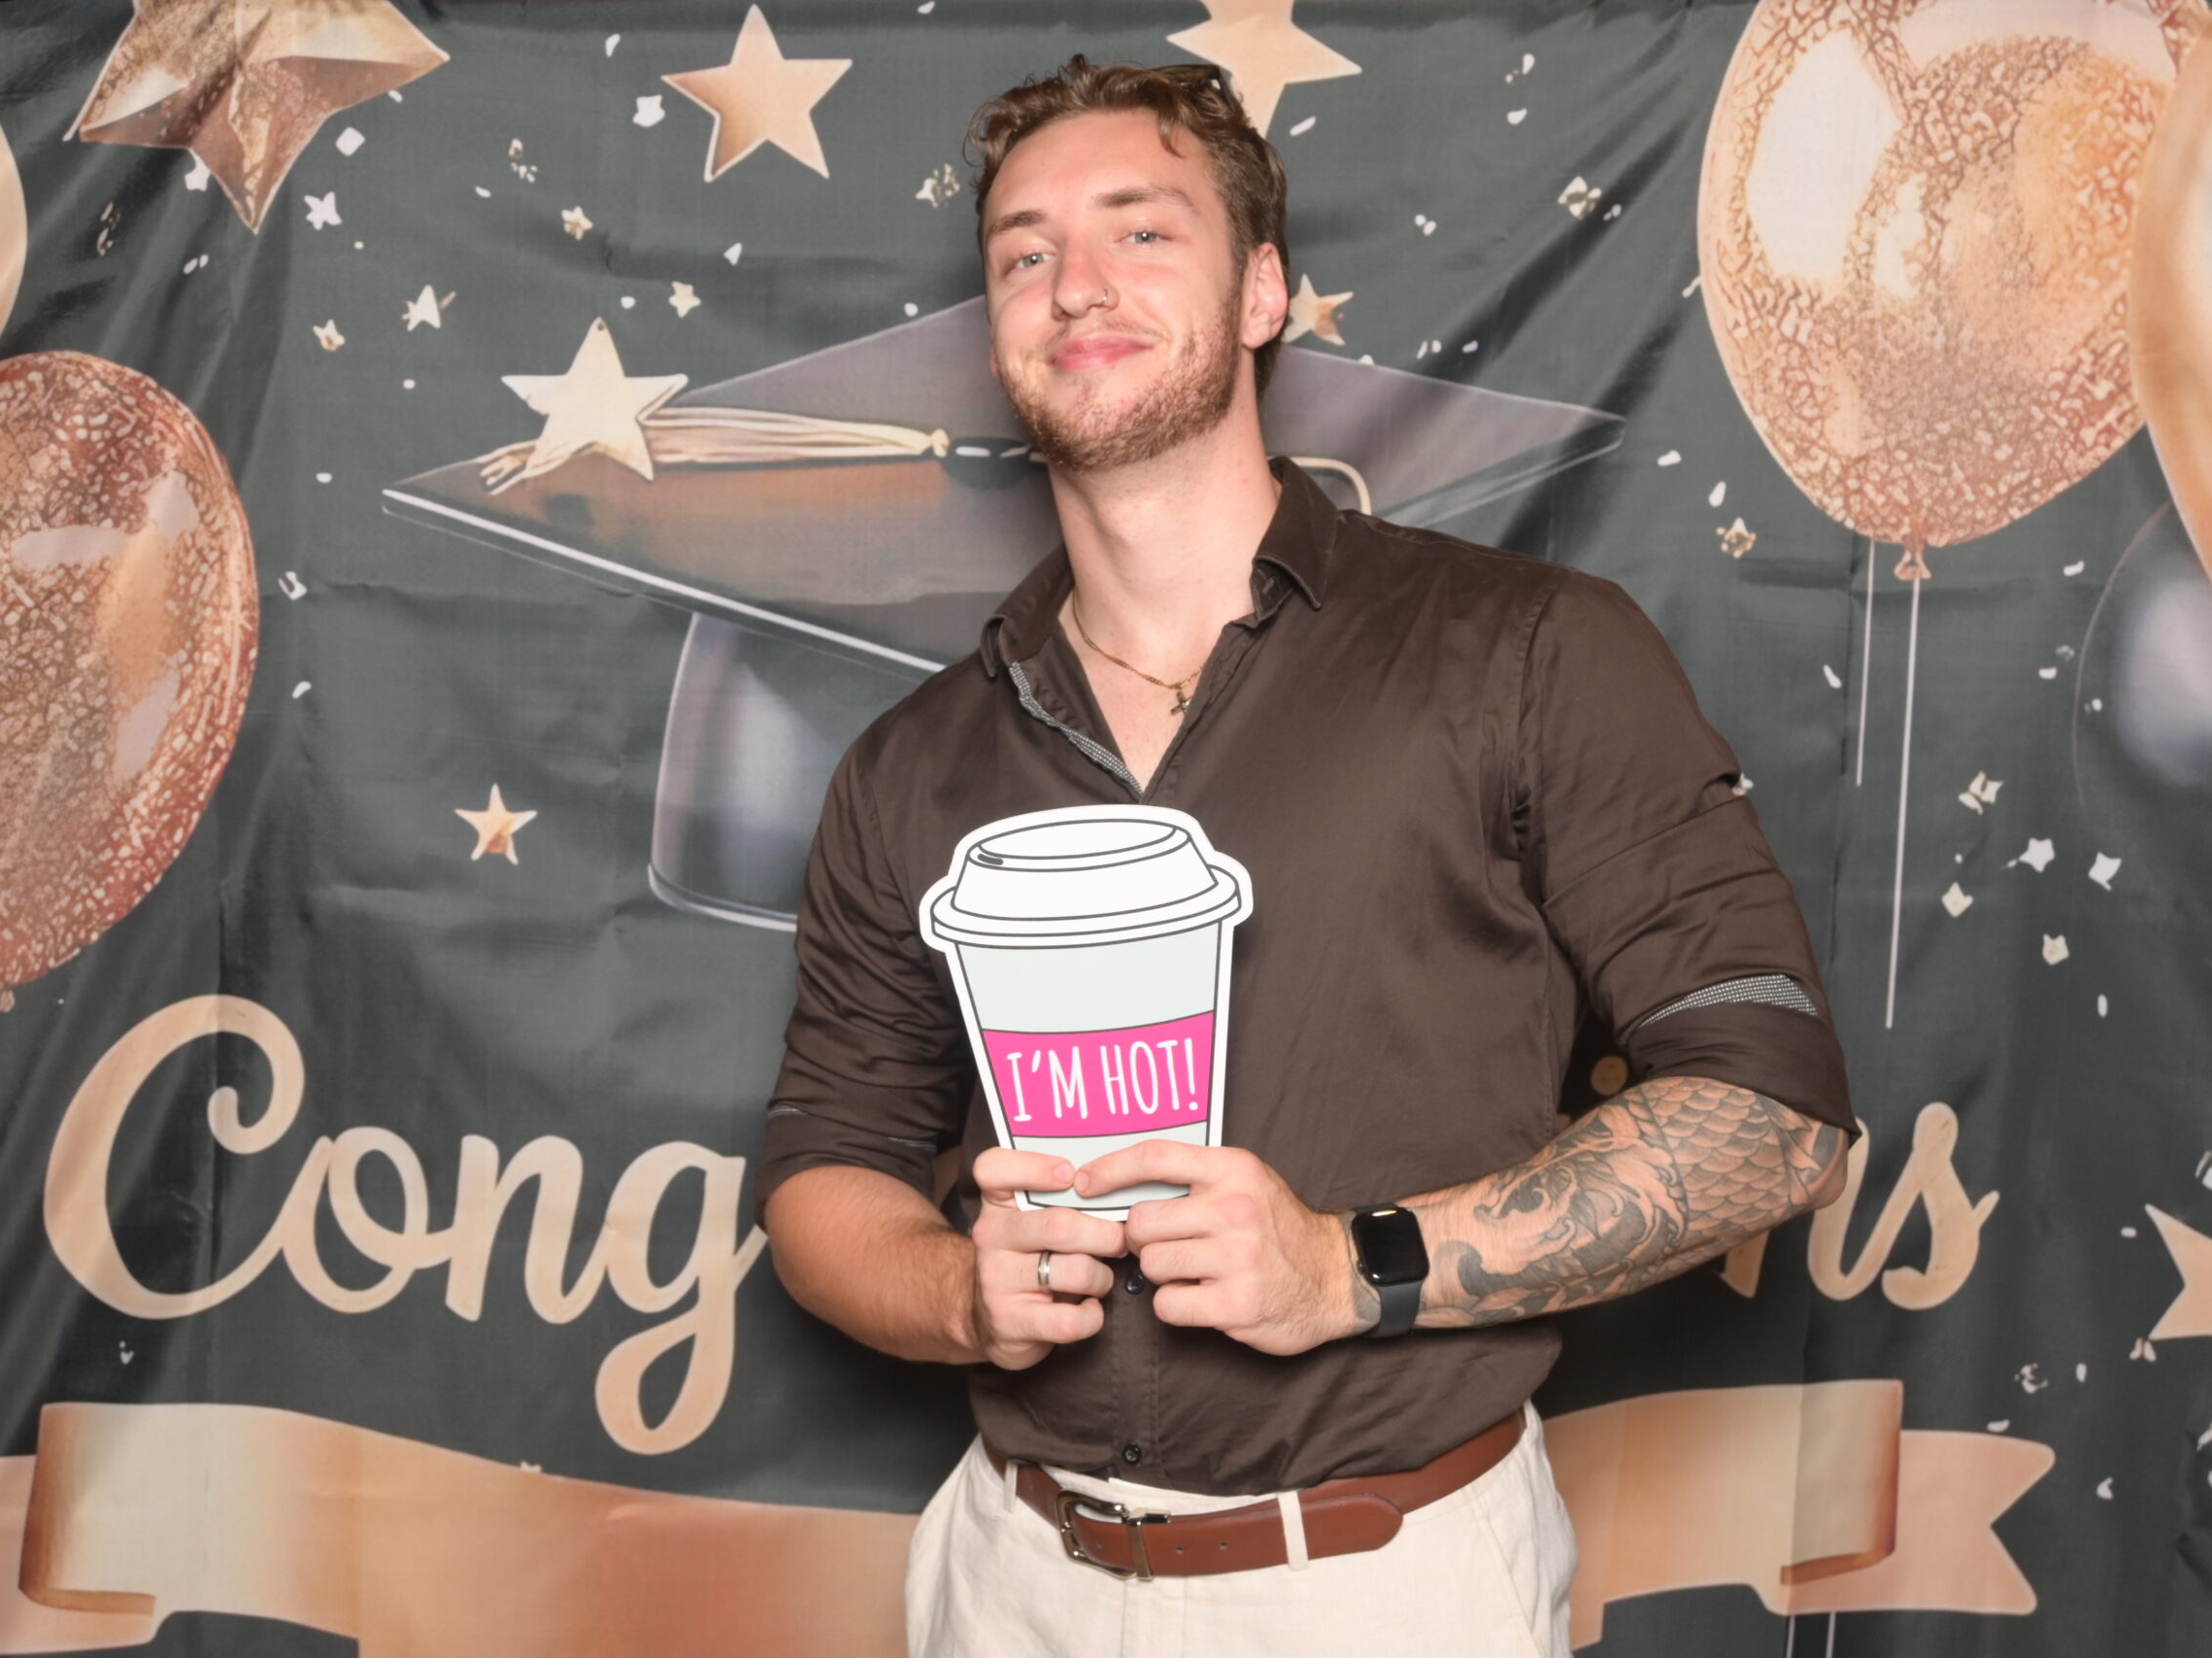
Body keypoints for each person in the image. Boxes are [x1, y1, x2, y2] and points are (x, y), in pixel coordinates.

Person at [755, 56, 1860, 1658]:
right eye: (1022, 252)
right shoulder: (914, 767)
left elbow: (1773, 1112)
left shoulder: (1528, 651)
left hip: (1389, 1583)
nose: (1075, 287)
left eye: (1143, 233)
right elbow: (825, 1172)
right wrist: (956, 1295)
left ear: (1263, 288)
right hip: (1010, 1577)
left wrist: (1352, 1269)